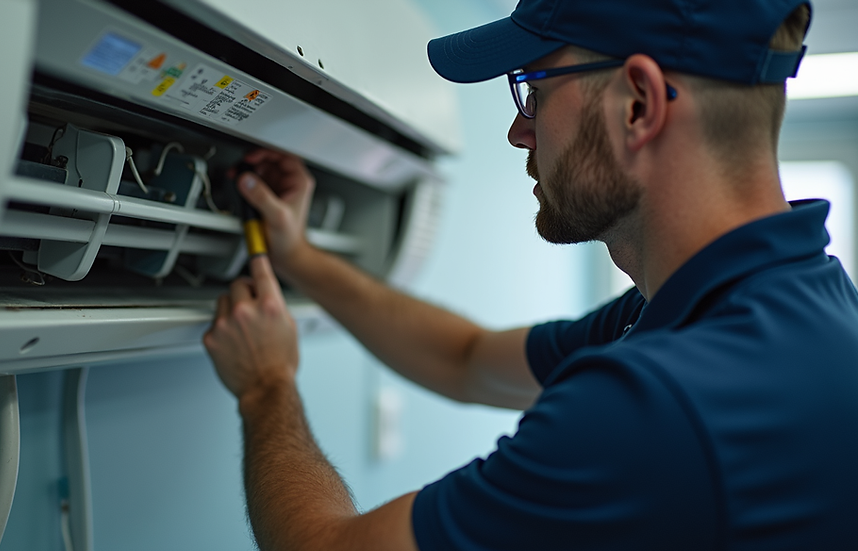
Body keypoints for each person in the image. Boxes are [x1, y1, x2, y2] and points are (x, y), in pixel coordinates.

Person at [202, 0, 858, 549]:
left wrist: (266, 385)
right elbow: (467, 359)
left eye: (535, 91)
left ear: (638, 105)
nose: (520, 131)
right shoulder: (775, 308)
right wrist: (302, 258)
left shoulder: (659, 402)